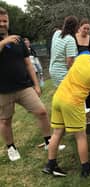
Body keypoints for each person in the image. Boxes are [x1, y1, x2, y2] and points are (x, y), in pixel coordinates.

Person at [42, 39, 90, 177]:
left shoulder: (84, 54)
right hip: (73, 102)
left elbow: (76, 68)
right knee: (81, 136)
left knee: (57, 133)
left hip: (58, 96)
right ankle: (86, 167)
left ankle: (50, 165)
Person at [0, 7, 52, 161]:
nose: (2, 24)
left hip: (24, 86)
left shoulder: (18, 40)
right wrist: (4, 42)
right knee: (5, 120)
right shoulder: (8, 40)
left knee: (42, 112)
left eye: (5, 21)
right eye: (0, 21)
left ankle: (49, 141)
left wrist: (36, 85)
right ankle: (11, 148)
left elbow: (28, 63)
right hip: (3, 90)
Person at [49, 16, 78, 87]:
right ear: (75, 27)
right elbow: (70, 63)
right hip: (62, 73)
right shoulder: (70, 40)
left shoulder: (56, 33)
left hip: (53, 70)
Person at [75, 18, 90, 108]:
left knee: (87, 90)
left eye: (88, 29)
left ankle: (88, 109)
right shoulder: (73, 37)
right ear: (80, 27)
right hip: (76, 67)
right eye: (84, 28)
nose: (86, 31)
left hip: (87, 67)